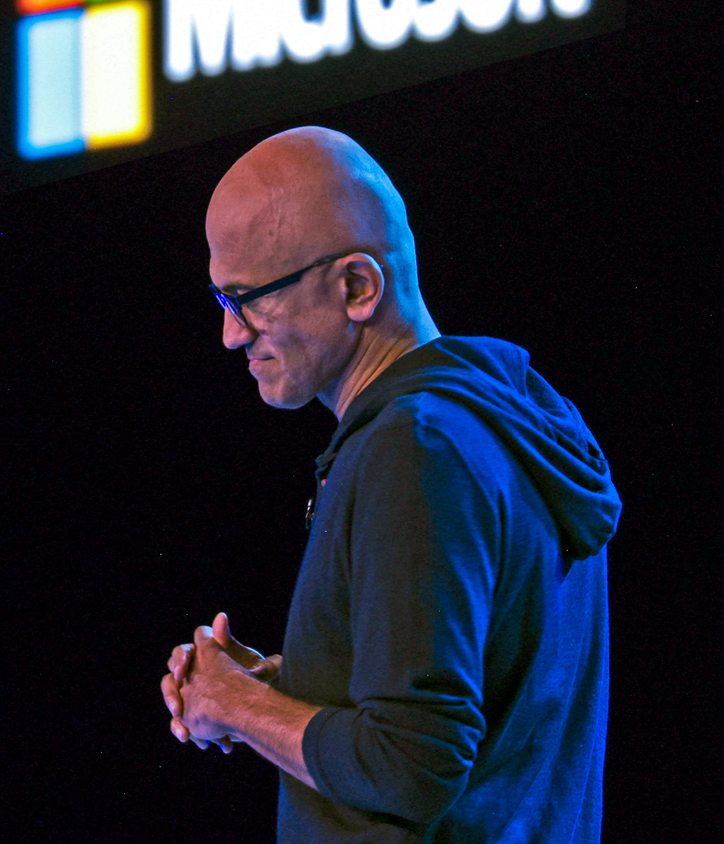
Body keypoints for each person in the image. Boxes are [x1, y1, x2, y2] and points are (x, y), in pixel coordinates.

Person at [160, 126, 621, 842]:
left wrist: (237, 708)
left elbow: (413, 763)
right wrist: (291, 684)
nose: (231, 334)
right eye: (222, 298)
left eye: (247, 298)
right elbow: (473, 692)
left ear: (356, 286)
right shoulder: (502, 421)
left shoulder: (414, 449)